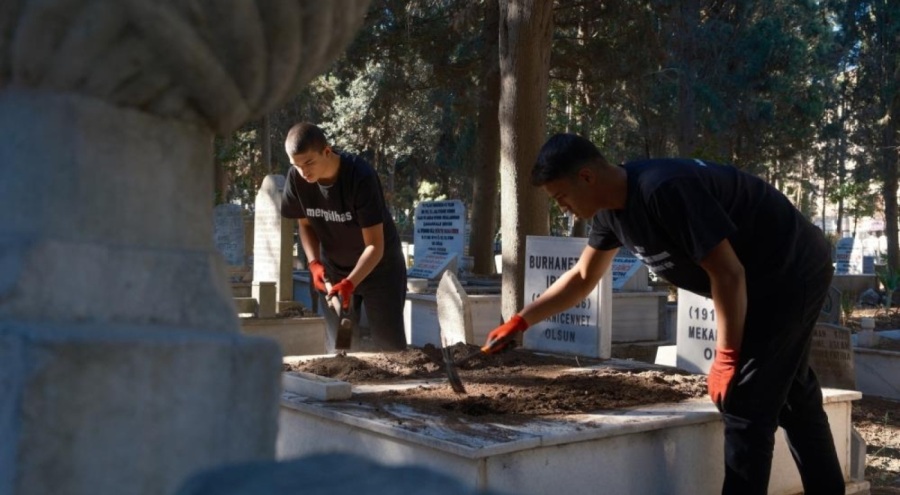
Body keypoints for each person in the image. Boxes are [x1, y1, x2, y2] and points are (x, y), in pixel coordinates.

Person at [483, 133, 844, 494]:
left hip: (789, 272)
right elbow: (581, 278)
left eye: (561, 197)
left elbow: (728, 273)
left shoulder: (664, 190)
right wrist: (521, 320)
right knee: (793, 395)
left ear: (587, 177)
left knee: (745, 403)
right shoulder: (610, 214)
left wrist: (727, 357)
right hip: (757, 281)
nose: (563, 207)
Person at [281, 122, 407, 353]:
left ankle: (394, 389)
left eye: (309, 162)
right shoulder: (297, 178)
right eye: (296, 165)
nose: (303, 172)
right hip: (334, 270)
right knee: (343, 345)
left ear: (327, 151)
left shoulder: (360, 176)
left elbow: (375, 246)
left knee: (389, 347)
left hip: (380, 269)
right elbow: (305, 223)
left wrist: (351, 282)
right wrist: (314, 263)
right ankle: (347, 386)